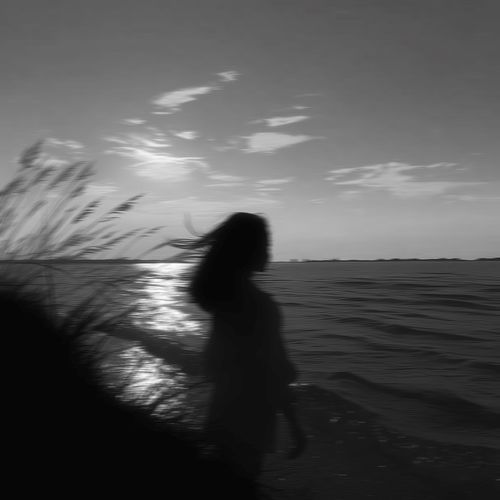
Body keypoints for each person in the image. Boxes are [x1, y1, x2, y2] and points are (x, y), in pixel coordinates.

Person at [184, 212, 307, 482]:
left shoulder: (225, 303)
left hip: (221, 412)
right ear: (247, 250)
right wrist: (295, 425)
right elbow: (275, 372)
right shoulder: (259, 307)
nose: (269, 252)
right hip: (251, 419)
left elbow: (213, 363)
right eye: (265, 245)